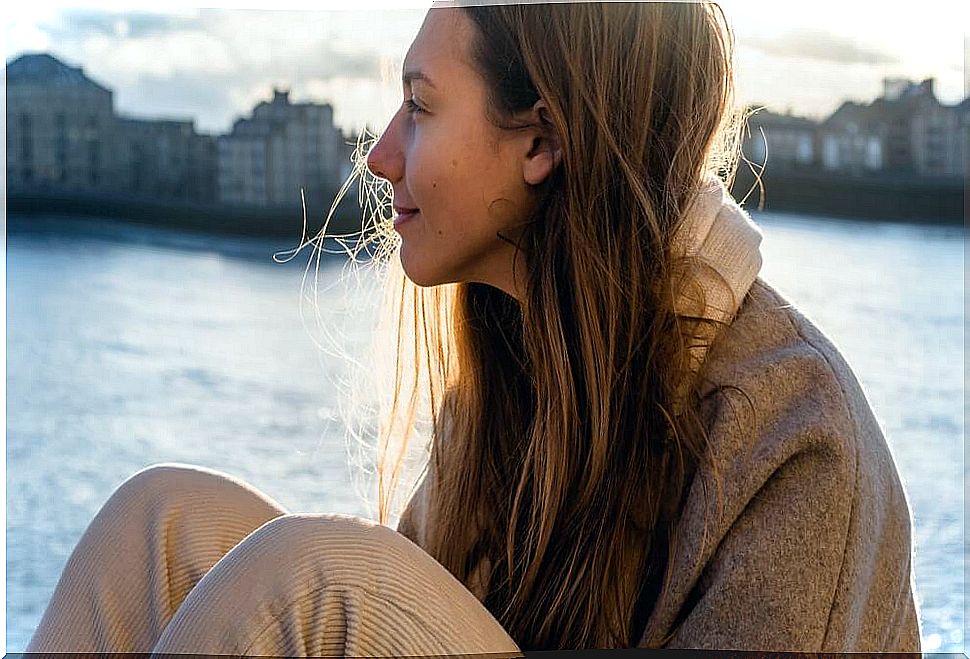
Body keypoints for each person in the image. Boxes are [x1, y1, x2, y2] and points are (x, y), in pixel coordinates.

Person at [25, 2, 921, 656]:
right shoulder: (517, 365)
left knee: (318, 575)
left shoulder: (796, 432)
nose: (377, 156)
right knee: (163, 519)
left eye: (420, 104)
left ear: (542, 142)